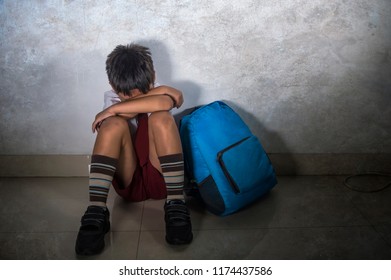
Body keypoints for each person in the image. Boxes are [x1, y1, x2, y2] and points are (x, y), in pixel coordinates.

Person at [75, 43, 193, 255]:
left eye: (140, 94)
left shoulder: (118, 103)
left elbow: (166, 102)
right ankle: (96, 210)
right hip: (129, 182)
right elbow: (166, 98)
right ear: (112, 85)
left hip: (163, 180)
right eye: (126, 96)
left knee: (161, 117)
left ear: (152, 77)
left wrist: (114, 109)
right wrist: (158, 94)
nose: (133, 99)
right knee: (113, 124)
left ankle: (176, 203)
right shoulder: (112, 97)